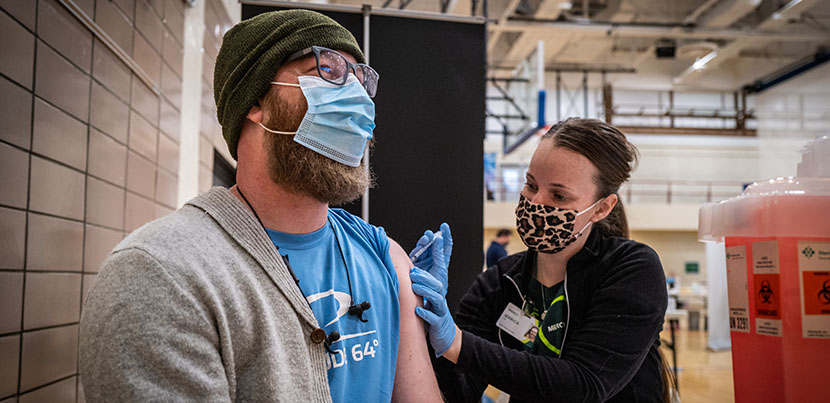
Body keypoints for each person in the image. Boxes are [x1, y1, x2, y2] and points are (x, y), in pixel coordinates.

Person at [80, 10, 442, 403]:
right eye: (329, 71)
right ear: (255, 100)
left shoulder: (383, 257)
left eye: (359, 80)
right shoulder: (163, 275)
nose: (356, 99)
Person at [410, 118, 674, 402]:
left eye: (559, 196)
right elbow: (458, 392)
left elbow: (583, 385)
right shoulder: (499, 284)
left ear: (602, 208)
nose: (536, 203)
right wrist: (423, 319)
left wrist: (456, 343)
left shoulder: (632, 268)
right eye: (531, 184)